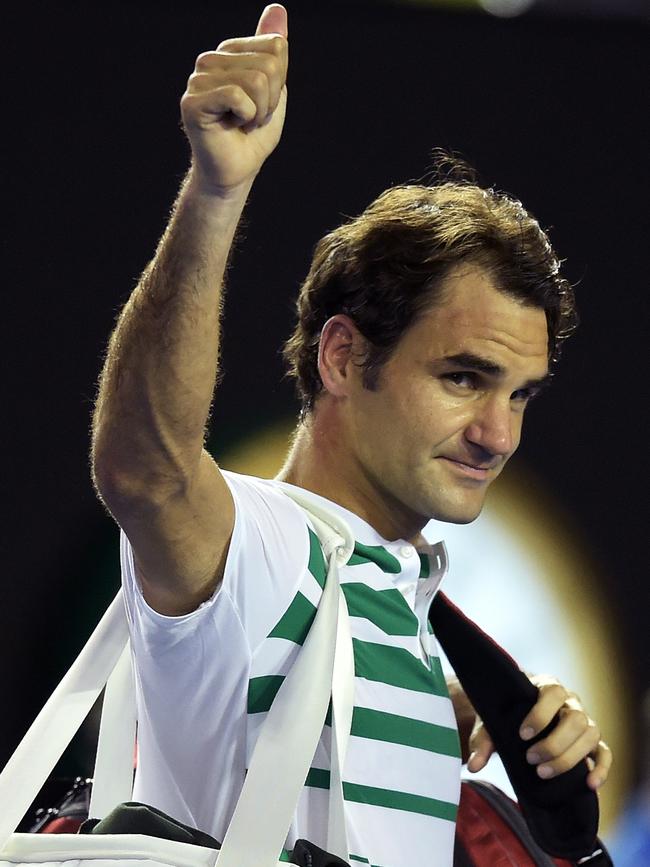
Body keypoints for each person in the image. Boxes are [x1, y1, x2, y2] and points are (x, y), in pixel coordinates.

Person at [90, 4, 612, 865]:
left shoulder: (405, 615)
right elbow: (145, 471)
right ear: (341, 356)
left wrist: (459, 713)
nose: (497, 433)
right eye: (464, 378)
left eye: (521, 394)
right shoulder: (262, 546)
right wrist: (216, 193)